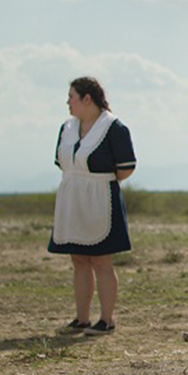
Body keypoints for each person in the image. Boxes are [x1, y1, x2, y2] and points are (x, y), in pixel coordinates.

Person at [50, 77, 136, 338]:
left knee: (101, 259)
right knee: (79, 259)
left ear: (87, 99)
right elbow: (62, 161)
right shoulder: (67, 128)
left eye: (71, 97)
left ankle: (106, 319)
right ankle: (81, 317)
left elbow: (126, 168)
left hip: (100, 198)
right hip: (72, 199)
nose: (68, 102)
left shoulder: (114, 128)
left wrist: (98, 184)